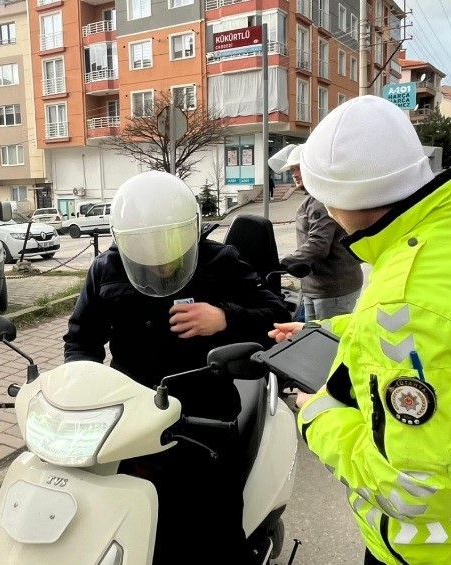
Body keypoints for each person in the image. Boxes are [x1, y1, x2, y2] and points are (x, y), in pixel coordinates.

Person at [270, 96, 451, 565]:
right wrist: (338, 330)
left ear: (334, 199)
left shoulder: (409, 301)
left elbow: (414, 490)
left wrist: (316, 413)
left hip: (442, 551)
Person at [64, 170, 290, 564]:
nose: (162, 264)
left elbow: (277, 314)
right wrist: (82, 393)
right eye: (145, 248)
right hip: (132, 417)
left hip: (205, 417)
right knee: (127, 526)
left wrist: (225, 318)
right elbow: (81, 340)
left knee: (215, 532)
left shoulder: (220, 261)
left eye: (169, 248)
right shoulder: (106, 269)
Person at [275, 144, 363, 323]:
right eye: (292, 169)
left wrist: (284, 263)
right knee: (312, 340)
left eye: (298, 168)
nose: (294, 174)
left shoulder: (319, 201)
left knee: (327, 345)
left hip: (332, 290)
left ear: (312, 169)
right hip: (318, 286)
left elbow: (318, 245)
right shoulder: (315, 198)